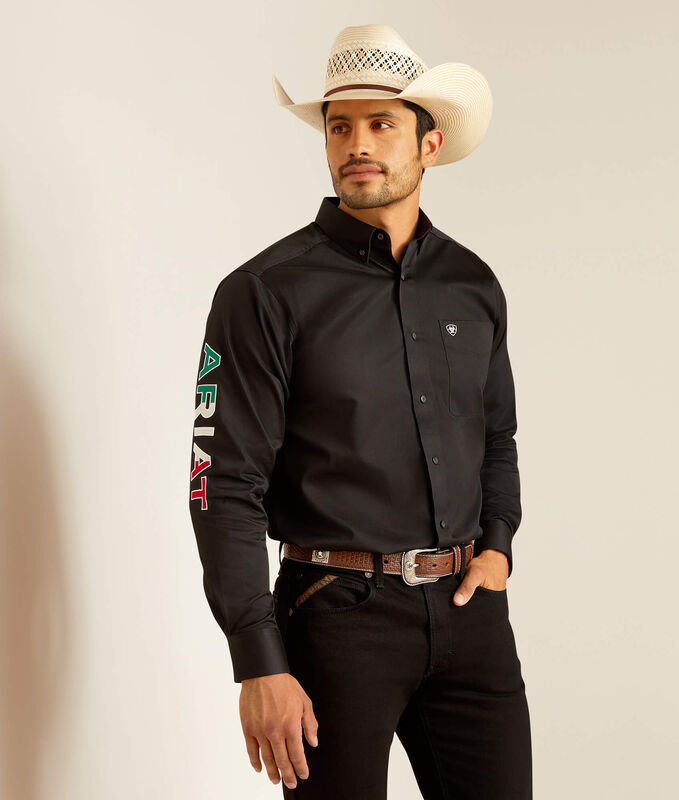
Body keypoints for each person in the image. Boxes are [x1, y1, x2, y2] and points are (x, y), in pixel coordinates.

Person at [189, 23, 532, 799]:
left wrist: (498, 546)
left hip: (470, 615)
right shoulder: (263, 293)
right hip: (334, 618)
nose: (357, 144)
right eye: (339, 126)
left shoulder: (473, 285)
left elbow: (497, 436)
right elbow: (221, 482)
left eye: (381, 123)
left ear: (429, 144)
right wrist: (258, 661)